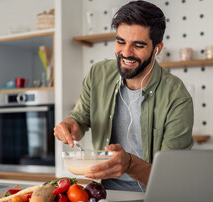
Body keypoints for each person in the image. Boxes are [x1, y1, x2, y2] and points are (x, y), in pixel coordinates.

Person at [54, 0, 193, 191]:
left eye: (138, 45)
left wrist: (129, 164)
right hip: (103, 193)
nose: (126, 53)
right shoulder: (98, 74)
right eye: (121, 42)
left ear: (157, 49)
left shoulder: (177, 97)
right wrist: (71, 125)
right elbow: (80, 119)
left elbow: (171, 177)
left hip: (153, 196)